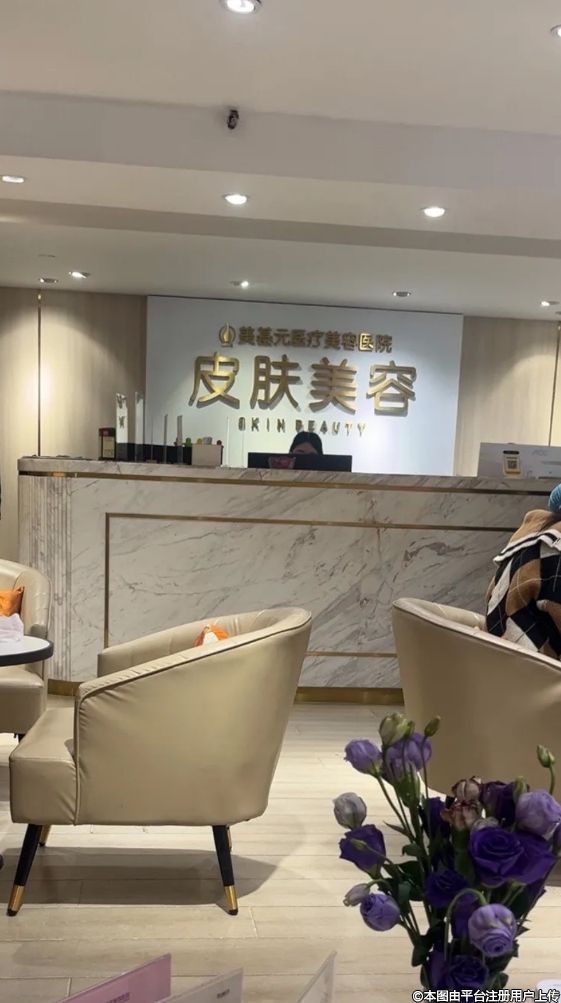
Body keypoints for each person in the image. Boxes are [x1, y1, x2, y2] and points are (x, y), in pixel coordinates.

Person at [486, 484, 561, 657]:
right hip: (537, 665)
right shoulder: (554, 548)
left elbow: (489, 597)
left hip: (501, 655)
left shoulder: (527, 542)